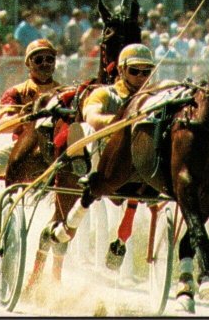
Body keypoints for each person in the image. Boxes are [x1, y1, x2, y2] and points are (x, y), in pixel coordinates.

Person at [43, 43, 155, 267]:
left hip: (138, 163)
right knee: (86, 130)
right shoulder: (104, 93)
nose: (141, 77)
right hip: (103, 156)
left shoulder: (155, 98)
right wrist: (121, 123)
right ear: (122, 70)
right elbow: (91, 115)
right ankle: (78, 159)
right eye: (135, 71)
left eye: (147, 71)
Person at [0, 38, 63, 282]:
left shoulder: (64, 92)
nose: (45, 64)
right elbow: (6, 120)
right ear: (28, 64)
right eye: (38, 60)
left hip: (55, 153)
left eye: (49, 59)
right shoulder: (16, 92)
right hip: (20, 148)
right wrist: (29, 114)